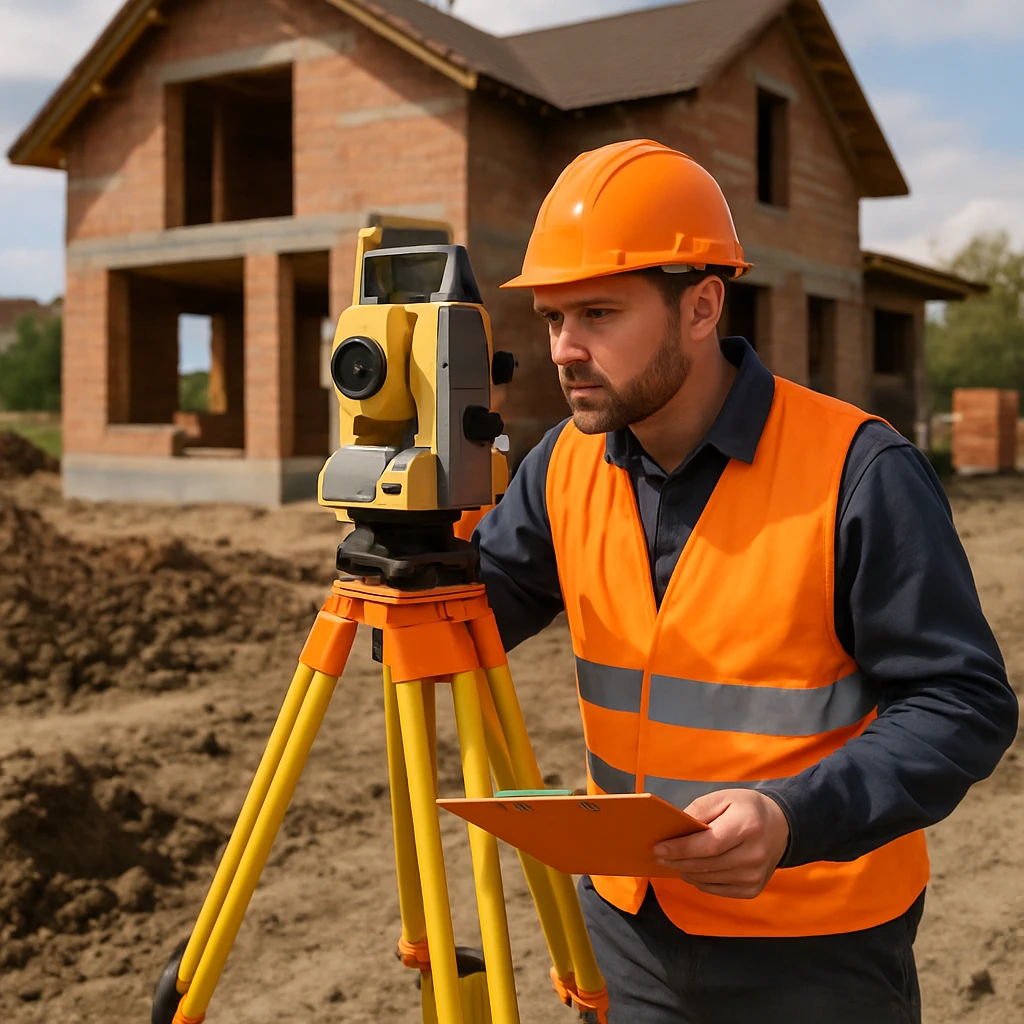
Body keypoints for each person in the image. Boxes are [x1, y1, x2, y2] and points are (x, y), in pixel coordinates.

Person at [470, 139, 1018, 1023]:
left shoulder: (857, 468)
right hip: (629, 926)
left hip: (812, 943)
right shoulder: (560, 466)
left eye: (599, 314)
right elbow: (465, 620)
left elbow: (963, 704)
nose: (565, 350)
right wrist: (406, 550)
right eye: (550, 319)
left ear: (701, 306)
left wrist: (792, 817)